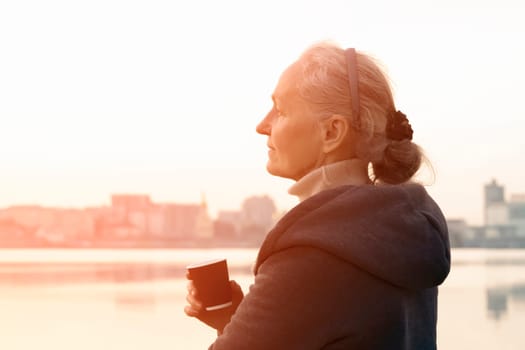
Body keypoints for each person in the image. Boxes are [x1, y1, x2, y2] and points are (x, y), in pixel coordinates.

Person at [184, 42, 451, 349]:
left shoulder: (311, 254)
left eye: (280, 110)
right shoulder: (402, 236)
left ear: (332, 133)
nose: (262, 126)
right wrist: (234, 322)